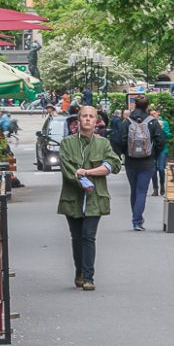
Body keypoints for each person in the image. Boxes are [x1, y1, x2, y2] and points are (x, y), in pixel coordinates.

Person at [57, 104, 122, 291]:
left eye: (91, 116)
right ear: (78, 120)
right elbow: (68, 169)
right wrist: (82, 178)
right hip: (73, 198)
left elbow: (114, 164)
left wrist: (88, 172)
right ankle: (79, 271)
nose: (87, 119)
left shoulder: (103, 143)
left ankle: (88, 277)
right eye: (84, 116)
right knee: (76, 238)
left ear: (96, 121)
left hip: (95, 198)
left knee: (88, 236)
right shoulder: (67, 143)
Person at [122, 96, 165, 231]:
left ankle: (136, 218)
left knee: (134, 190)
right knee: (142, 191)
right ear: (147, 106)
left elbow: (120, 140)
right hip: (147, 162)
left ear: (135, 104)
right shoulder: (152, 122)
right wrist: (154, 155)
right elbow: (160, 142)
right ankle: (137, 220)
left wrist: (126, 152)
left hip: (130, 162)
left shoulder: (127, 121)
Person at [150, 107, 171, 194]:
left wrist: (162, 128)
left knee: (161, 168)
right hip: (152, 149)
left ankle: (162, 185)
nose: (153, 116)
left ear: (158, 113)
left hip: (162, 148)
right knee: (153, 169)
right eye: (151, 115)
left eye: (154, 114)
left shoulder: (164, 122)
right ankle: (155, 188)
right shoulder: (149, 123)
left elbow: (168, 135)